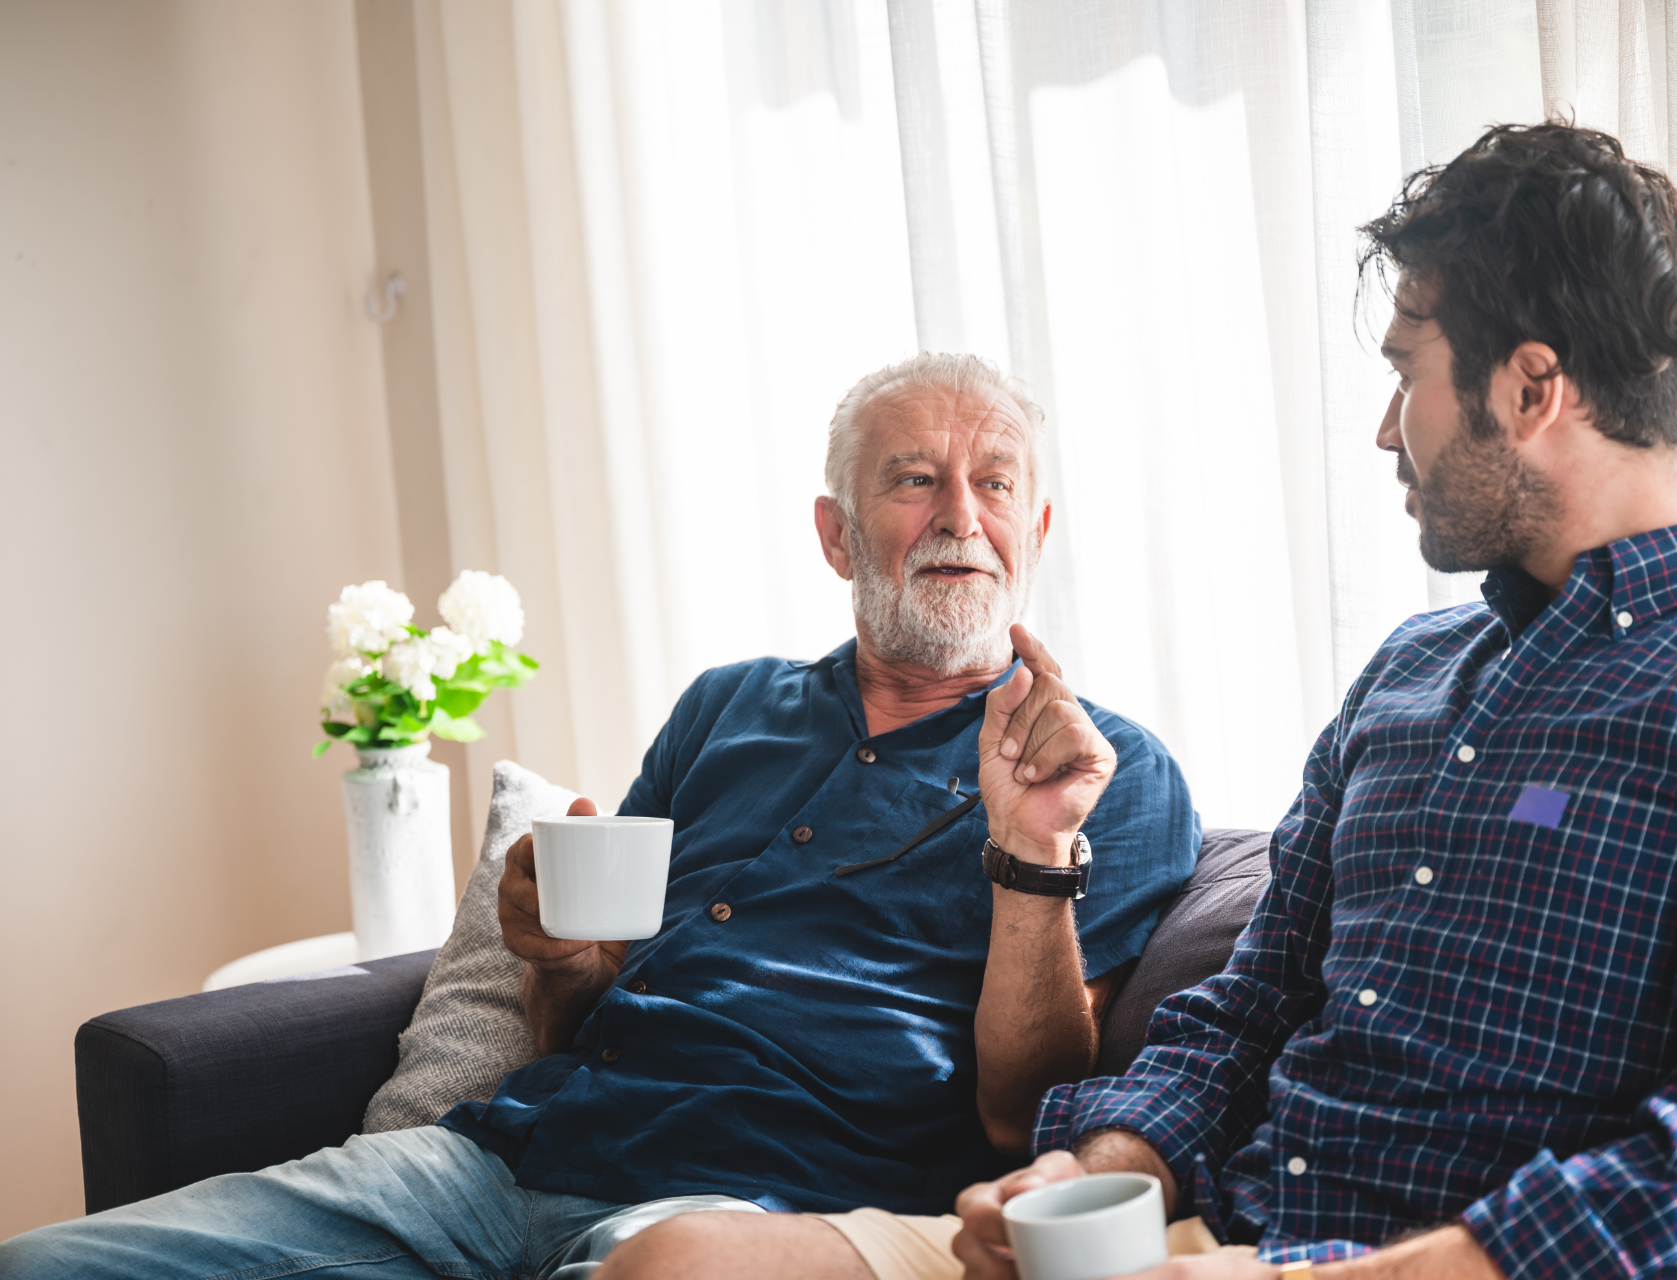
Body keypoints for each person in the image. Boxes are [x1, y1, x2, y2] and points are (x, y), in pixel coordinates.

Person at [738, 123, 1677, 1280]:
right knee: (680, 1255)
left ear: (1530, 386)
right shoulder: (1413, 671)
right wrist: (1104, 1167)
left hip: (1426, 1262)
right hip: (1218, 1235)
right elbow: (1248, 1008)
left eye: (1406, 372)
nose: (1382, 429)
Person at [0, 353, 1200, 1278]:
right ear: (836, 533)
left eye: (994, 485)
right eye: (912, 478)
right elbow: (579, 1006)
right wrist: (559, 955)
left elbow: (1021, 1110)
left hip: (754, 1209)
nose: (958, 514)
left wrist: (1033, 850)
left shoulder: (1104, 770)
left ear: (1034, 532)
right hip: (500, 1157)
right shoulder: (729, 706)